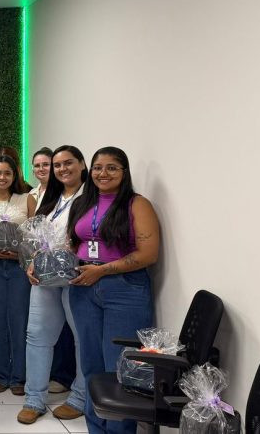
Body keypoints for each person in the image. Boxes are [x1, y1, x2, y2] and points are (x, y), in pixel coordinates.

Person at [67, 147, 159, 434]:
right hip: (83, 289)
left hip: (124, 289)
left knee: (121, 368)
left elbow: (148, 254)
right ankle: (96, 429)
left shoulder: (137, 204)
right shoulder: (82, 202)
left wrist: (102, 270)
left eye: (111, 168)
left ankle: (119, 431)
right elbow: (73, 243)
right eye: (97, 167)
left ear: (124, 172)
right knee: (91, 364)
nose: (103, 173)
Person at [18, 145, 88, 424]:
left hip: (77, 278)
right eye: (57, 165)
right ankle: (34, 399)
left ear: (82, 164)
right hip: (45, 278)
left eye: (68, 163)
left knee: (82, 338)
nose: (62, 169)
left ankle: (80, 397)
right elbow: (40, 238)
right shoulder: (52, 198)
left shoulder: (91, 197)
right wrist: (33, 262)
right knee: (37, 335)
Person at [0, 154, 35, 395]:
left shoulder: (26, 199)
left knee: (19, 321)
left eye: (7, 173)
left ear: (15, 176)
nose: (2, 177)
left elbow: (35, 234)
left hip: (19, 267)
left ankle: (19, 377)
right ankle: (0, 375)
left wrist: (19, 254)